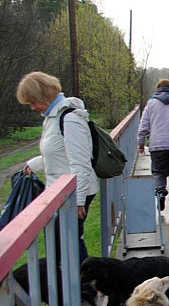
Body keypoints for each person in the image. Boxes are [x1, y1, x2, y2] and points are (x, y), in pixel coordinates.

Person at [17, 71, 100, 263]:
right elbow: (58, 153)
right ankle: (78, 286)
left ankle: (83, 288)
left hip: (73, 192)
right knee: (63, 242)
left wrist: (79, 200)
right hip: (62, 190)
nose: (32, 107)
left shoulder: (69, 119)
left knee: (68, 242)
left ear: (43, 96)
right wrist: (33, 164)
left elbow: (80, 162)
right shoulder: (52, 117)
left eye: (33, 102)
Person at [137, 78, 169, 212]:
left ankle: (160, 192)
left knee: (158, 171)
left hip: (157, 144)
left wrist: (140, 143)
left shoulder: (151, 104)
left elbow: (143, 126)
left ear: (158, 89)